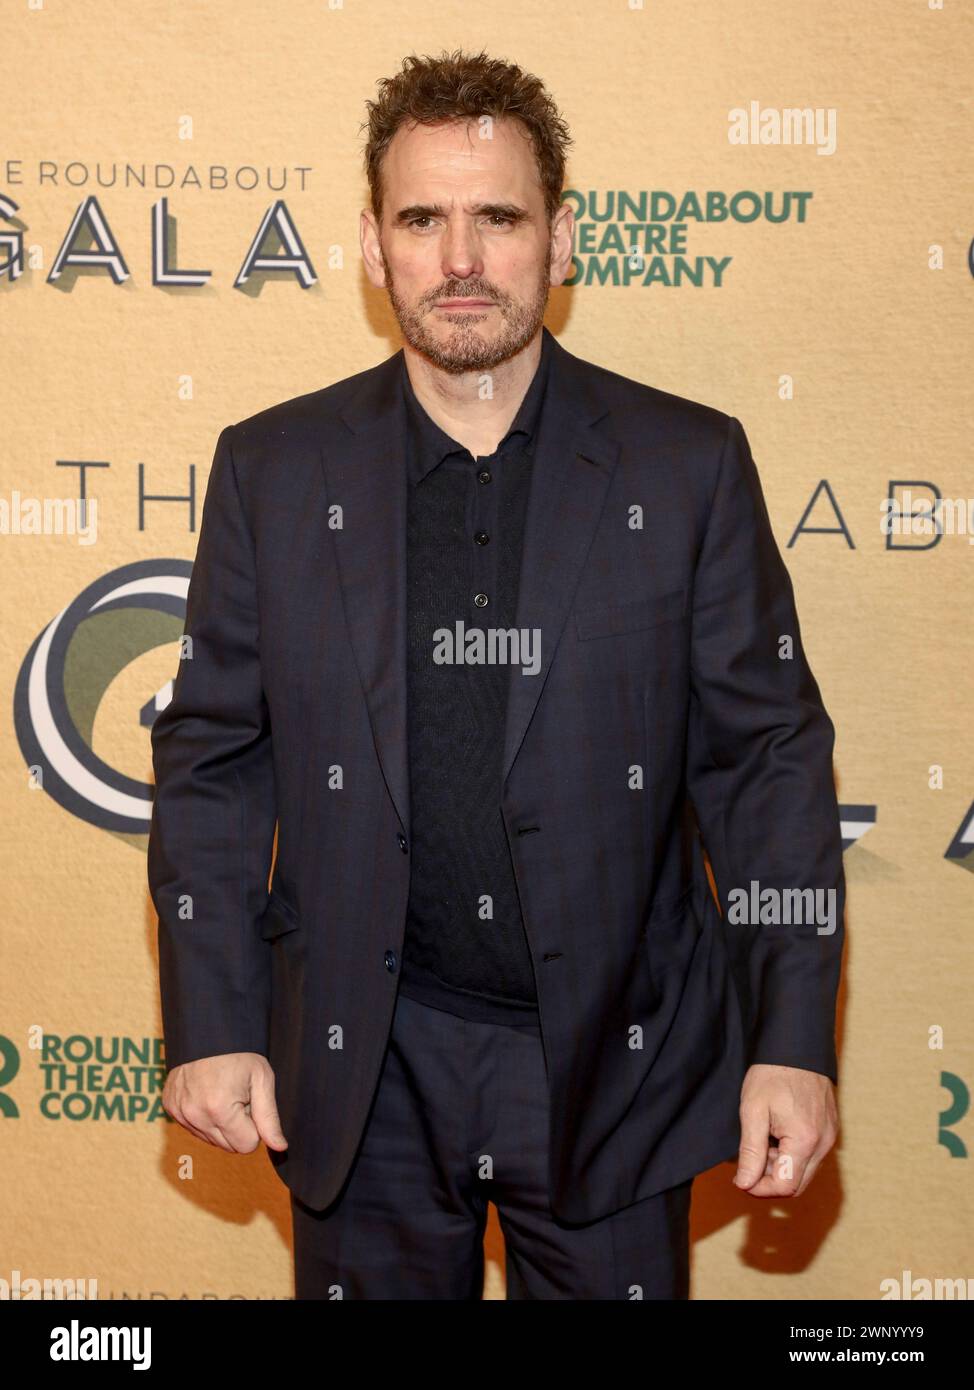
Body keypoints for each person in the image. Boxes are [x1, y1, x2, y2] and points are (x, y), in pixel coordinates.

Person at [148, 48, 844, 1300]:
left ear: (560, 238)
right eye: (422, 218)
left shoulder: (683, 467)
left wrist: (792, 1041)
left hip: (612, 1066)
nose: (459, 258)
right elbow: (211, 763)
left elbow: (768, 770)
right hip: (362, 1069)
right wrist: (213, 1021)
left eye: (497, 218)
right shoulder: (274, 471)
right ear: (372, 246)